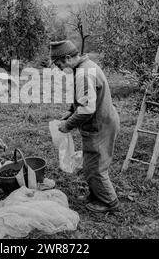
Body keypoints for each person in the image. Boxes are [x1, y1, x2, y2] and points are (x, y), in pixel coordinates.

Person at [50, 40, 121, 213]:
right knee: (90, 164)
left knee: (96, 167)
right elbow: (86, 99)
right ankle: (97, 195)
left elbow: (86, 110)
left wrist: (67, 125)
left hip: (99, 125)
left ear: (67, 58)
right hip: (103, 120)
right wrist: (70, 112)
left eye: (59, 64)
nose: (59, 68)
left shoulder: (84, 73)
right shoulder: (85, 67)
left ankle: (110, 203)